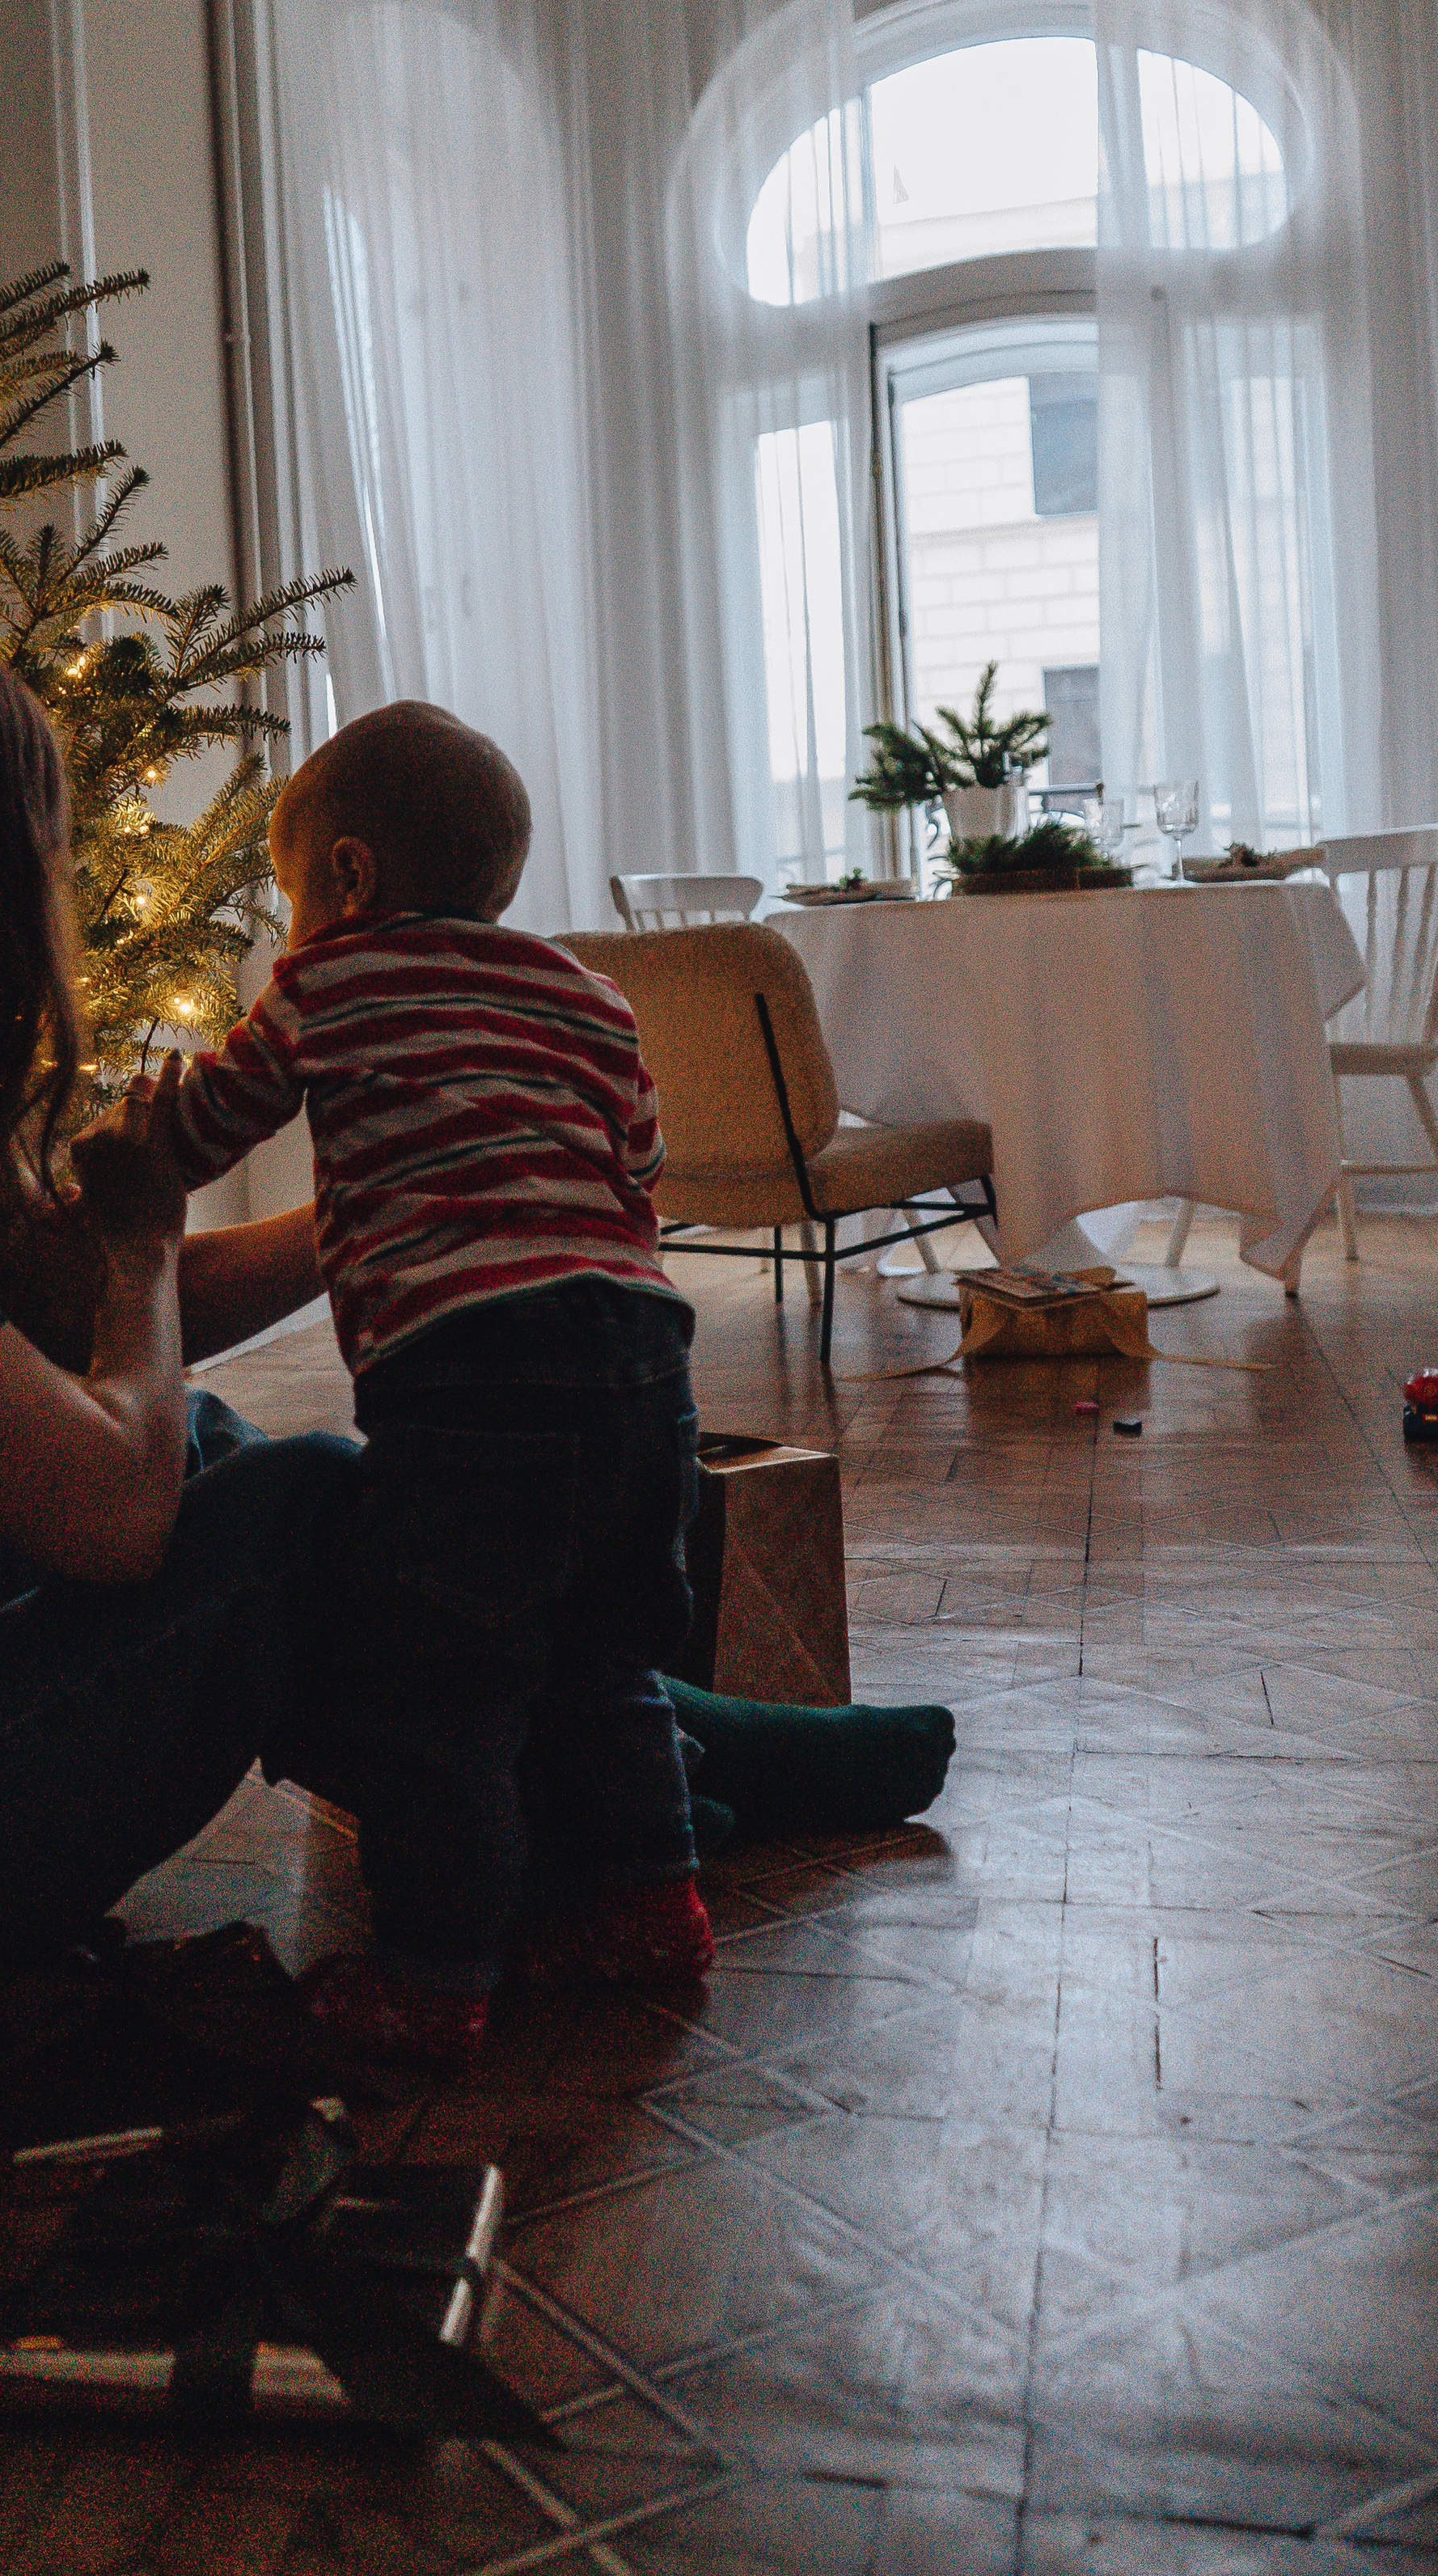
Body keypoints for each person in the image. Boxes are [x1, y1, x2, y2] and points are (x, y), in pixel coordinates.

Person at [0, 615, 950, 2077]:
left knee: (205, 1448)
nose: (58, 891)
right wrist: (144, 1240)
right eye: (49, 853)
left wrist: (428, 1183)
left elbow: (85, 1311)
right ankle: (651, 1776)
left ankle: (650, 1758)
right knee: (303, 1500)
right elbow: (112, 1517)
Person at [165, 703, 954, 2064]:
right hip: (641, 1364)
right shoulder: (586, 993)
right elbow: (635, 1159)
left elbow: (217, 1119)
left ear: (346, 878)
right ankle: (649, 1903)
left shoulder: (330, 982)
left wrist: (136, 1158)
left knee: (446, 1685)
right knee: (608, 1653)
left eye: (291, 893)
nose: (293, 923)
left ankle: (436, 1970)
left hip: (467, 1383)